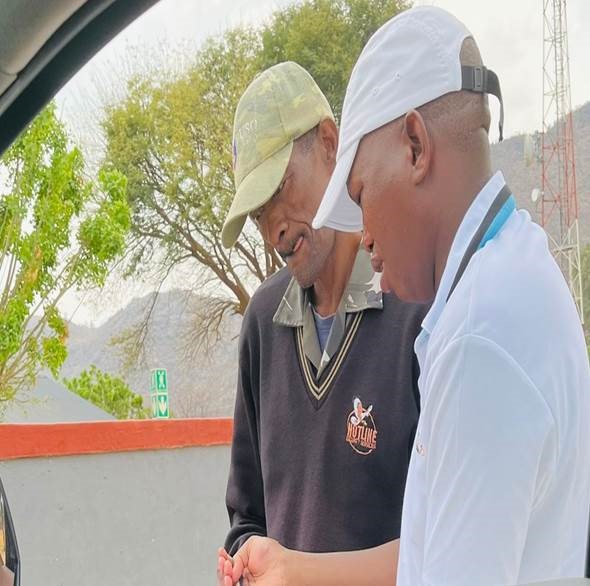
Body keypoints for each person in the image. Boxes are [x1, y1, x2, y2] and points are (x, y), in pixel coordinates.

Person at [222, 7, 590, 586]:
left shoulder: (477, 340)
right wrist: (289, 567)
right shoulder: (518, 275)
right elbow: (427, 553)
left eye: (361, 194)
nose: (365, 234)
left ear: (416, 146)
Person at [216, 61, 426, 584]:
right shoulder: (263, 323)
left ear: (330, 143)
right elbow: (247, 515)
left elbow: (445, 541)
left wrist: (302, 572)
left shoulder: (416, 306)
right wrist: (245, 561)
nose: (273, 230)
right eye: (258, 213)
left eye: (280, 189)